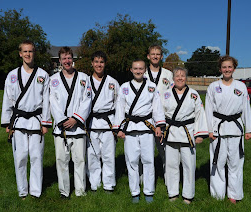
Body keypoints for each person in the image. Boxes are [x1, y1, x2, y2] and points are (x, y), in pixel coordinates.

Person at [1, 40, 52, 199]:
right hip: (19, 121)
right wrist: (7, 123)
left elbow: (47, 101)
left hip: (36, 121)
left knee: (36, 157)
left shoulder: (43, 75)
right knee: (20, 157)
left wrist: (45, 123)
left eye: (31, 51)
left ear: (34, 53)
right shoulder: (12, 75)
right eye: (25, 51)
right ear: (20, 54)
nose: (28, 54)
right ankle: (22, 191)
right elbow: (7, 100)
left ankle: (36, 191)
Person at [205, 55, 251, 204]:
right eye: (224, 67)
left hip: (235, 128)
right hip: (218, 128)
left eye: (230, 67)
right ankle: (217, 195)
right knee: (217, 162)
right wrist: (209, 130)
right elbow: (208, 109)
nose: (227, 69)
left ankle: (234, 195)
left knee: (235, 163)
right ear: (220, 69)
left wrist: (249, 129)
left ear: (234, 68)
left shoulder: (241, 86)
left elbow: (246, 109)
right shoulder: (213, 86)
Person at [113, 59, 165, 203]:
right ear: (131, 70)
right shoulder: (124, 87)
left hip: (147, 127)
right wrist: (119, 128)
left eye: (141, 69)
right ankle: (134, 192)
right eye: (135, 68)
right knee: (132, 160)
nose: (138, 71)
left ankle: (149, 192)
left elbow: (157, 107)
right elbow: (120, 109)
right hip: (130, 128)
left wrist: (159, 125)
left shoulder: (151, 86)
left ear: (145, 70)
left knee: (148, 160)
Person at [160, 67, 208, 204]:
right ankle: (173, 193)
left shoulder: (193, 94)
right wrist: (162, 130)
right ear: (173, 78)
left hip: (188, 132)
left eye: (182, 76)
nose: (180, 78)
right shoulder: (166, 94)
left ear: (186, 78)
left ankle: (188, 195)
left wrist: (200, 134)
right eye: (177, 76)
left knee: (189, 165)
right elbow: (160, 113)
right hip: (171, 132)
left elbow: (200, 114)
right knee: (171, 164)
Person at [49, 47, 91, 198]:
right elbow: (52, 102)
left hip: (78, 126)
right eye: (64, 58)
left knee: (80, 160)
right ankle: (64, 191)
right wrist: (62, 120)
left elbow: (87, 100)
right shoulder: (53, 80)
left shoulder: (84, 78)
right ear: (59, 61)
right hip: (61, 128)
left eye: (69, 58)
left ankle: (80, 190)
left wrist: (76, 118)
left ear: (73, 59)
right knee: (61, 160)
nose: (67, 61)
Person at [86, 51, 120, 192]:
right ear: (92, 63)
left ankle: (108, 184)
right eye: (96, 62)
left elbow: (119, 105)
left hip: (108, 123)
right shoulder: (86, 81)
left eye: (101, 62)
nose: (99, 64)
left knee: (108, 155)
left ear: (105, 64)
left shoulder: (113, 82)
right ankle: (94, 184)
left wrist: (117, 126)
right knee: (92, 155)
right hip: (92, 122)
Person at [144, 45, 174, 175]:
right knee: (146, 151)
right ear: (148, 56)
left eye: (158, 54)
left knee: (165, 149)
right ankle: (144, 180)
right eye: (153, 54)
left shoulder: (168, 74)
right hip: (146, 116)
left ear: (161, 57)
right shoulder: (142, 72)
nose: (155, 56)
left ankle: (169, 179)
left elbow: (173, 95)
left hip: (163, 116)